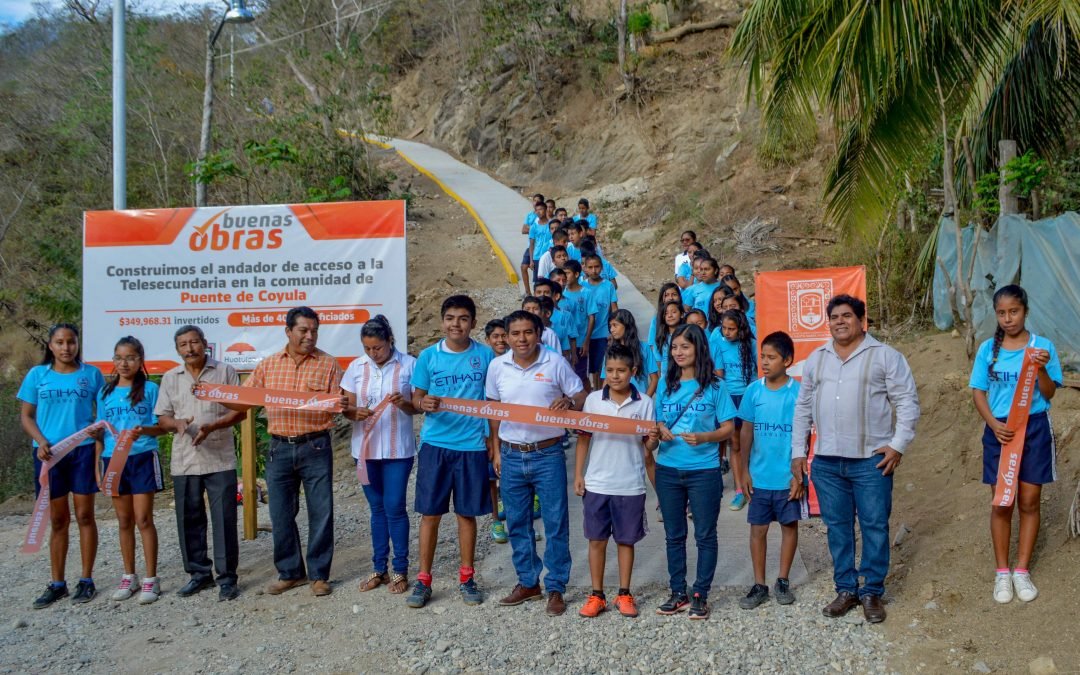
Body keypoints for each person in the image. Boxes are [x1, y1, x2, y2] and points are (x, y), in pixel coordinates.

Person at [791, 295, 920, 624]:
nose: (839, 321)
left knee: (875, 526)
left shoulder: (885, 357)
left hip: (870, 462)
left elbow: (907, 402)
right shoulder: (817, 358)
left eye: (847, 316)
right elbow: (803, 408)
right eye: (834, 317)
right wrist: (798, 452)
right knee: (837, 528)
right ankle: (846, 589)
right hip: (828, 464)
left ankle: (872, 591)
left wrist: (898, 445)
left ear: (862, 320)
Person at [237, 307, 344, 598]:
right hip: (279, 448)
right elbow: (245, 399)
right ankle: (290, 573)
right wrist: (216, 396)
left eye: (314, 330)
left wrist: (341, 403)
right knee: (281, 514)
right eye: (303, 330)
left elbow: (337, 404)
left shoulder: (328, 364)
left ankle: (319, 575)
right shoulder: (268, 366)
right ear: (288, 331)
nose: (310, 336)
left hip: (316, 446)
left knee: (321, 512)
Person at [488, 310, 586, 616]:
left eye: (528, 332)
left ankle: (555, 587)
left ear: (538, 333)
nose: (521, 339)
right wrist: (496, 450)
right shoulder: (497, 366)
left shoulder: (554, 362)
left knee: (555, 523)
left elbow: (582, 395)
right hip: (512, 453)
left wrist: (569, 402)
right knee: (517, 522)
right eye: (514, 334)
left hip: (548, 454)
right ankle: (528, 582)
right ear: (506, 336)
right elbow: (493, 408)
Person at [969, 285, 1062, 604]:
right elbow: (978, 392)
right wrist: (994, 424)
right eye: (1002, 313)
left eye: (1014, 311)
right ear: (996, 315)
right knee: (1001, 501)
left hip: (1034, 428)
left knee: (1029, 500)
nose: (1008, 319)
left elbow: (1049, 394)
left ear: (1025, 311)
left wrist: (1039, 369)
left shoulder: (1042, 347)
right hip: (999, 431)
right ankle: (1002, 573)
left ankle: (1022, 571)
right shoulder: (987, 350)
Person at [409, 295, 496, 608]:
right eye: (450, 318)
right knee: (430, 514)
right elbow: (416, 398)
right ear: (442, 321)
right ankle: (423, 580)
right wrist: (423, 403)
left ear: (473, 322)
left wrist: (491, 442)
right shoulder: (428, 357)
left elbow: (493, 401)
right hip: (436, 445)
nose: (455, 324)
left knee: (466, 513)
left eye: (462, 318)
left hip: (472, 446)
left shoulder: (485, 357)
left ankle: (467, 577)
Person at [155, 326, 245, 601]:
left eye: (194, 342)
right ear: (178, 349)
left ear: (205, 344)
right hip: (186, 458)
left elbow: (239, 411)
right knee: (189, 518)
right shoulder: (171, 378)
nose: (190, 348)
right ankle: (198, 574)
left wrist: (214, 425)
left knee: (224, 520)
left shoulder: (225, 372)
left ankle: (227, 578)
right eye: (183, 344)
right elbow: (163, 418)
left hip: (219, 457)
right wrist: (177, 423)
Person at [18, 324, 105, 608]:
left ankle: (86, 580)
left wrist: (98, 433)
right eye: (60, 342)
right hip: (48, 456)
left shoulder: (91, 374)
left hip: (81, 452)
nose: (66, 347)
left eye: (71, 342)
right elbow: (27, 417)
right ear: (50, 345)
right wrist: (41, 441)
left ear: (78, 344)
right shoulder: (36, 375)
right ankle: (57, 583)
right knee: (57, 520)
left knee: (84, 516)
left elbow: (103, 414)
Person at [653, 324, 736, 620]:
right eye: (674, 347)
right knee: (674, 535)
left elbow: (728, 428)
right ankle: (678, 592)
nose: (678, 353)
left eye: (685, 347)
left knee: (704, 534)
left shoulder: (715, 386)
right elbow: (657, 421)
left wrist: (705, 437)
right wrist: (659, 429)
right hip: (668, 470)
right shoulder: (666, 383)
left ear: (699, 349)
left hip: (704, 470)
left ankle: (700, 592)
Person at [573, 344, 658, 618]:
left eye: (621, 370)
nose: (615, 375)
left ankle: (624, 593)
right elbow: (584, 439)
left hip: (630, 483)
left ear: (633, 371)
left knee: (625, 541)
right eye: (610, 370)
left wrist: (653, 440)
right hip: (597, 483)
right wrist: (578, 474)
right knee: (596, 540)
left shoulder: (644, 403)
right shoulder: (593, 401)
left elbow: (648, 446)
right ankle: (596, 595)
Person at [342, 316, 419, 595]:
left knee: (395, 507)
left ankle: (400, 570)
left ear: (390, 342)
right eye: (368, 348)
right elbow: (346, 407)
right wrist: (354, 412)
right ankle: (378, 568)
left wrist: (406, 404)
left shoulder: (410, 365)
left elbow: (418, 407)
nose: (373, 354)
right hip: (364, 450)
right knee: (376, 510)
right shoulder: (355, 367)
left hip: (398, 450)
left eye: (378, 348)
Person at [736, 332, 807, 609]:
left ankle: (783, 580)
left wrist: (798, 474)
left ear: (787, 360)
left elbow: (804, 435)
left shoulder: (798, 393)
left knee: (789, 526)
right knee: (758, 529)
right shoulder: (754, 391)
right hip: (760, 477)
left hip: (787, 478)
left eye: (771, 357)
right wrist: (743, 471)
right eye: (762, 356)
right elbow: (746, 433)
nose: (764, 362)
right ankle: (759, 584)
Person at [95, 336, 166, 604]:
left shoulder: (150, 389)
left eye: (131, 358)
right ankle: (129, 576)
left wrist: (142, 431)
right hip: (113, 461)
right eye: (119, 357)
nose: (124, 363)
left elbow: (162, 426)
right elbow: (100, 433)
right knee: (123, 521)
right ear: (113, 360)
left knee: (143, 519)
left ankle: (151, 579)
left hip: (142, 457)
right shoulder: (104, 393)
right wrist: (97, 466)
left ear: (140, 361)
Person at [710, 309, 757, 510]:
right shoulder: (718, 342)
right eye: (724, 328)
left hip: (751, 396)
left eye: (732, 329)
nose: (727, 333)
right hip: (730, 397)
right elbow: (719, 373)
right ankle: (740, 490)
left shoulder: (751, 344)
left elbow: (760, 371)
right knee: (735, 444)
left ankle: (756, 487)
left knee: (756, 443)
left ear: (741, 329)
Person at [484, 319, 511, 544]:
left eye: (504, 335)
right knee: (492, 477)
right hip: (490, 427)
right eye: (496, 336)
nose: (500, 340)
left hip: (513, 428)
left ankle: (517, 522)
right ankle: (496, 521)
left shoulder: (517, 362)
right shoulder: (484, 364)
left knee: (514, 478)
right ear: (488, 340)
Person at [605, 309, 659, 397]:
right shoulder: (611, 350)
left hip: (639, 400)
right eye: (610, 326)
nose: (611, 329)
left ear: (626, 325)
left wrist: (645, 400)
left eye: (615, 325)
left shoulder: (644, 348)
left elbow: (654, 379)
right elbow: (606, 379)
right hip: (616, 402)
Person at [583, 254, 618, 390]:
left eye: (596, 267)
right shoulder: (582, 286)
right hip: (584, 335)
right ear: (585, 268)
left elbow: (614, 309)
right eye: (590, 267)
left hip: (603, 333)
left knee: (599, 368)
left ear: (602, 267)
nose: (594, 270)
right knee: (588, 369)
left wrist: (613, 330)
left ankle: (598, 394)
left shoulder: (608, 286)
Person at [563, 260, 597, 390]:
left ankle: (587, 403)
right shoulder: (561, 293)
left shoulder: (587, 293)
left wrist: (586, 341)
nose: (565, 277)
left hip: (580, 342)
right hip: (565, 343)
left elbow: (592, 318)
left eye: (567, 273)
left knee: (581, 375)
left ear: (577, 274)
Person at [521, 201, 547, 295]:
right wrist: (531, 260)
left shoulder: (551, 225)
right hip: (536, 257)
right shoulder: (534, 227)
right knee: (537, 282)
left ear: (545, 210)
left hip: (548, 256)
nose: (539, 212)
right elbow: (531, 244)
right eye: (537, 210)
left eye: (541, 209)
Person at [647, 283, 682, 350]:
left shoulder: (686, 317)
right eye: (666, 295)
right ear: (662, 298)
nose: (671, 298)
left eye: (674, 294)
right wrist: (659, 360)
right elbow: (652, 344)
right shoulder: (656, 320)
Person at [652, 301, 684, 369]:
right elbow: (658, 362)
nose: (670, 315)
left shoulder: (687, 335)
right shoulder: (660, 337)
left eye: (674, 312)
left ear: (682, 314)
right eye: (666, 313)